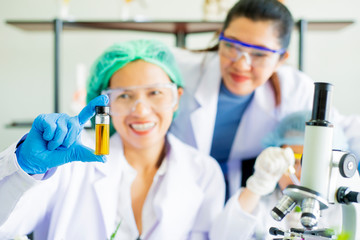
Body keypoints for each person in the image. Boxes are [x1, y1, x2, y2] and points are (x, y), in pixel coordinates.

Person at [0, 39, 225, 240]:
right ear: (103, 107)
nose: (141, 111)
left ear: (176, 98)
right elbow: (5, 228)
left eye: (155, 93)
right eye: (124, 96)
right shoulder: (68, 164)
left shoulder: (204, 172)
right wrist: (23, 168)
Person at [170, 0, 360, 199]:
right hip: (175, 182)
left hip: (237, 188)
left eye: (259, 54)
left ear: (281, 59)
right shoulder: (179, 72)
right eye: (231, 45)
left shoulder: (294, 88)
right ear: (220, 38)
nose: (242, 64)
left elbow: (341, 129)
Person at [211, 110, 348, 239]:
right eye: (292, 162)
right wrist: (256, 186)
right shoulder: (262, 204)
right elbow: (222, 237)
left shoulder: (345, 211)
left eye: (310, 166)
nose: (299, 174)